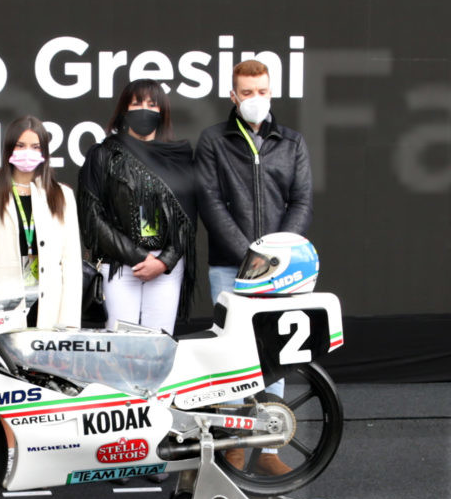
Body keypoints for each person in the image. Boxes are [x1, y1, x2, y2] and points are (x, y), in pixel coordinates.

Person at [80, 81, 207, 332]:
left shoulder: (179, 157)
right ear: (124, 109)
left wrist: (164, 261)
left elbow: (187, 219)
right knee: (120, 344)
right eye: (136, 103)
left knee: (158, 343)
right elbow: (92, 218)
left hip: (165, 269)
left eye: (152, 104)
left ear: (162, 112)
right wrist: (139, 257)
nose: (144, 109)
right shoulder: (103, 155)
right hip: (119, 266)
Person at [197, 58, 312, 302]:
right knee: (231, 329)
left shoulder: (293, 143)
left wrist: (277, 257)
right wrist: (251, 258)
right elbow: (210, 203)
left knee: (275, 329)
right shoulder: (213, 141)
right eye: (247, 93)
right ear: (233, 96)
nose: (255, 98)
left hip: (282, 269)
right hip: (229, 268)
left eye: (261, 91)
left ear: (271, 93)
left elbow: (301, 203)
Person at [0, 116, 82, 329]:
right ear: (9, 148)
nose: (28, 152)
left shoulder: (62, 195)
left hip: (48, 306)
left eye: (35, 147)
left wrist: (69, 324)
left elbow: (71, 264)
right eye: (20, 145)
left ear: (44, 152)